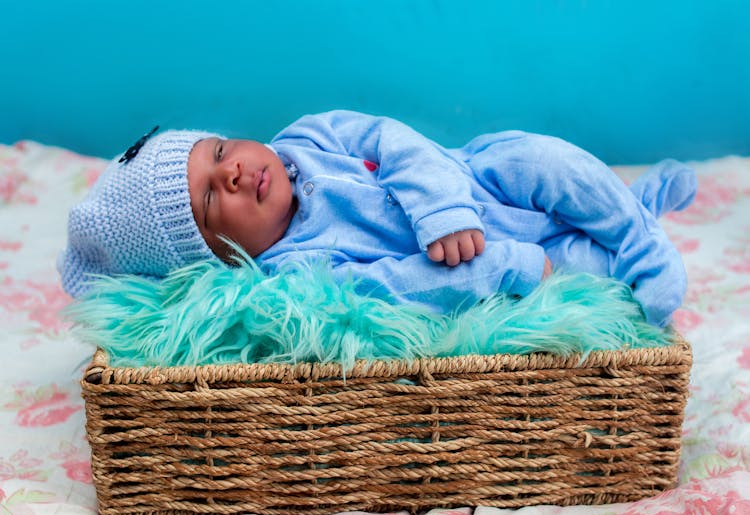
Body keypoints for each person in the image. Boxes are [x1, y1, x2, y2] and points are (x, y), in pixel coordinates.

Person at [58, 110, 696, 327]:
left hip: (479, 180)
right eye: (207, 200)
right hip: (494, 257)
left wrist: (442, 207)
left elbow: (393, 139)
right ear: (218, 258)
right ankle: (629, 234)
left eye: (221, 151)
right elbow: (399, 289)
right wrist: (508, 265)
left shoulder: (307, 137)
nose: (232, 171)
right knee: (585, 272)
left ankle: (640, 239)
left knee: (542, 160)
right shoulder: (291, 275)